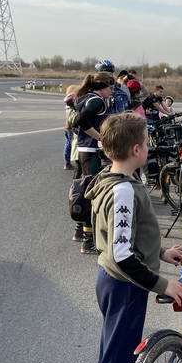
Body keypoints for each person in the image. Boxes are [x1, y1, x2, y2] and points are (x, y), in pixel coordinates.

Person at [85, 112, 182, 363]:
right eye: (146, 143)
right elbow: (123, 255)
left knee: (121, 351)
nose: (150, 147)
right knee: (116, 359)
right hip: (124, 285)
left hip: (116, 280)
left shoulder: (110, 176)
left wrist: (161, 251)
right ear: (135, 149)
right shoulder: (125, 192)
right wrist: (163, 284)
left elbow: (127, 239)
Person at [74, 72, 116, 253]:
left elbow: (74, 107)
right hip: (91, 151)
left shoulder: (86, 97)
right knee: (91, 193)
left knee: (84, 189)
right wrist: (100, 138)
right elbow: (81, 120)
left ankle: (79, 232)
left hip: (85, 149)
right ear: (102, 87)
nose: (112, 90)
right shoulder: (96, 100)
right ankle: (88, 240)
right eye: (110, 87)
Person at [62, 85, 80, 171]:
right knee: (72, 144)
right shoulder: (72, 105)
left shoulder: (67, 104)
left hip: (67, 126)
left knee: (68, 143)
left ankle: (67, 162)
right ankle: (70, 162)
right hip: (71, 126)